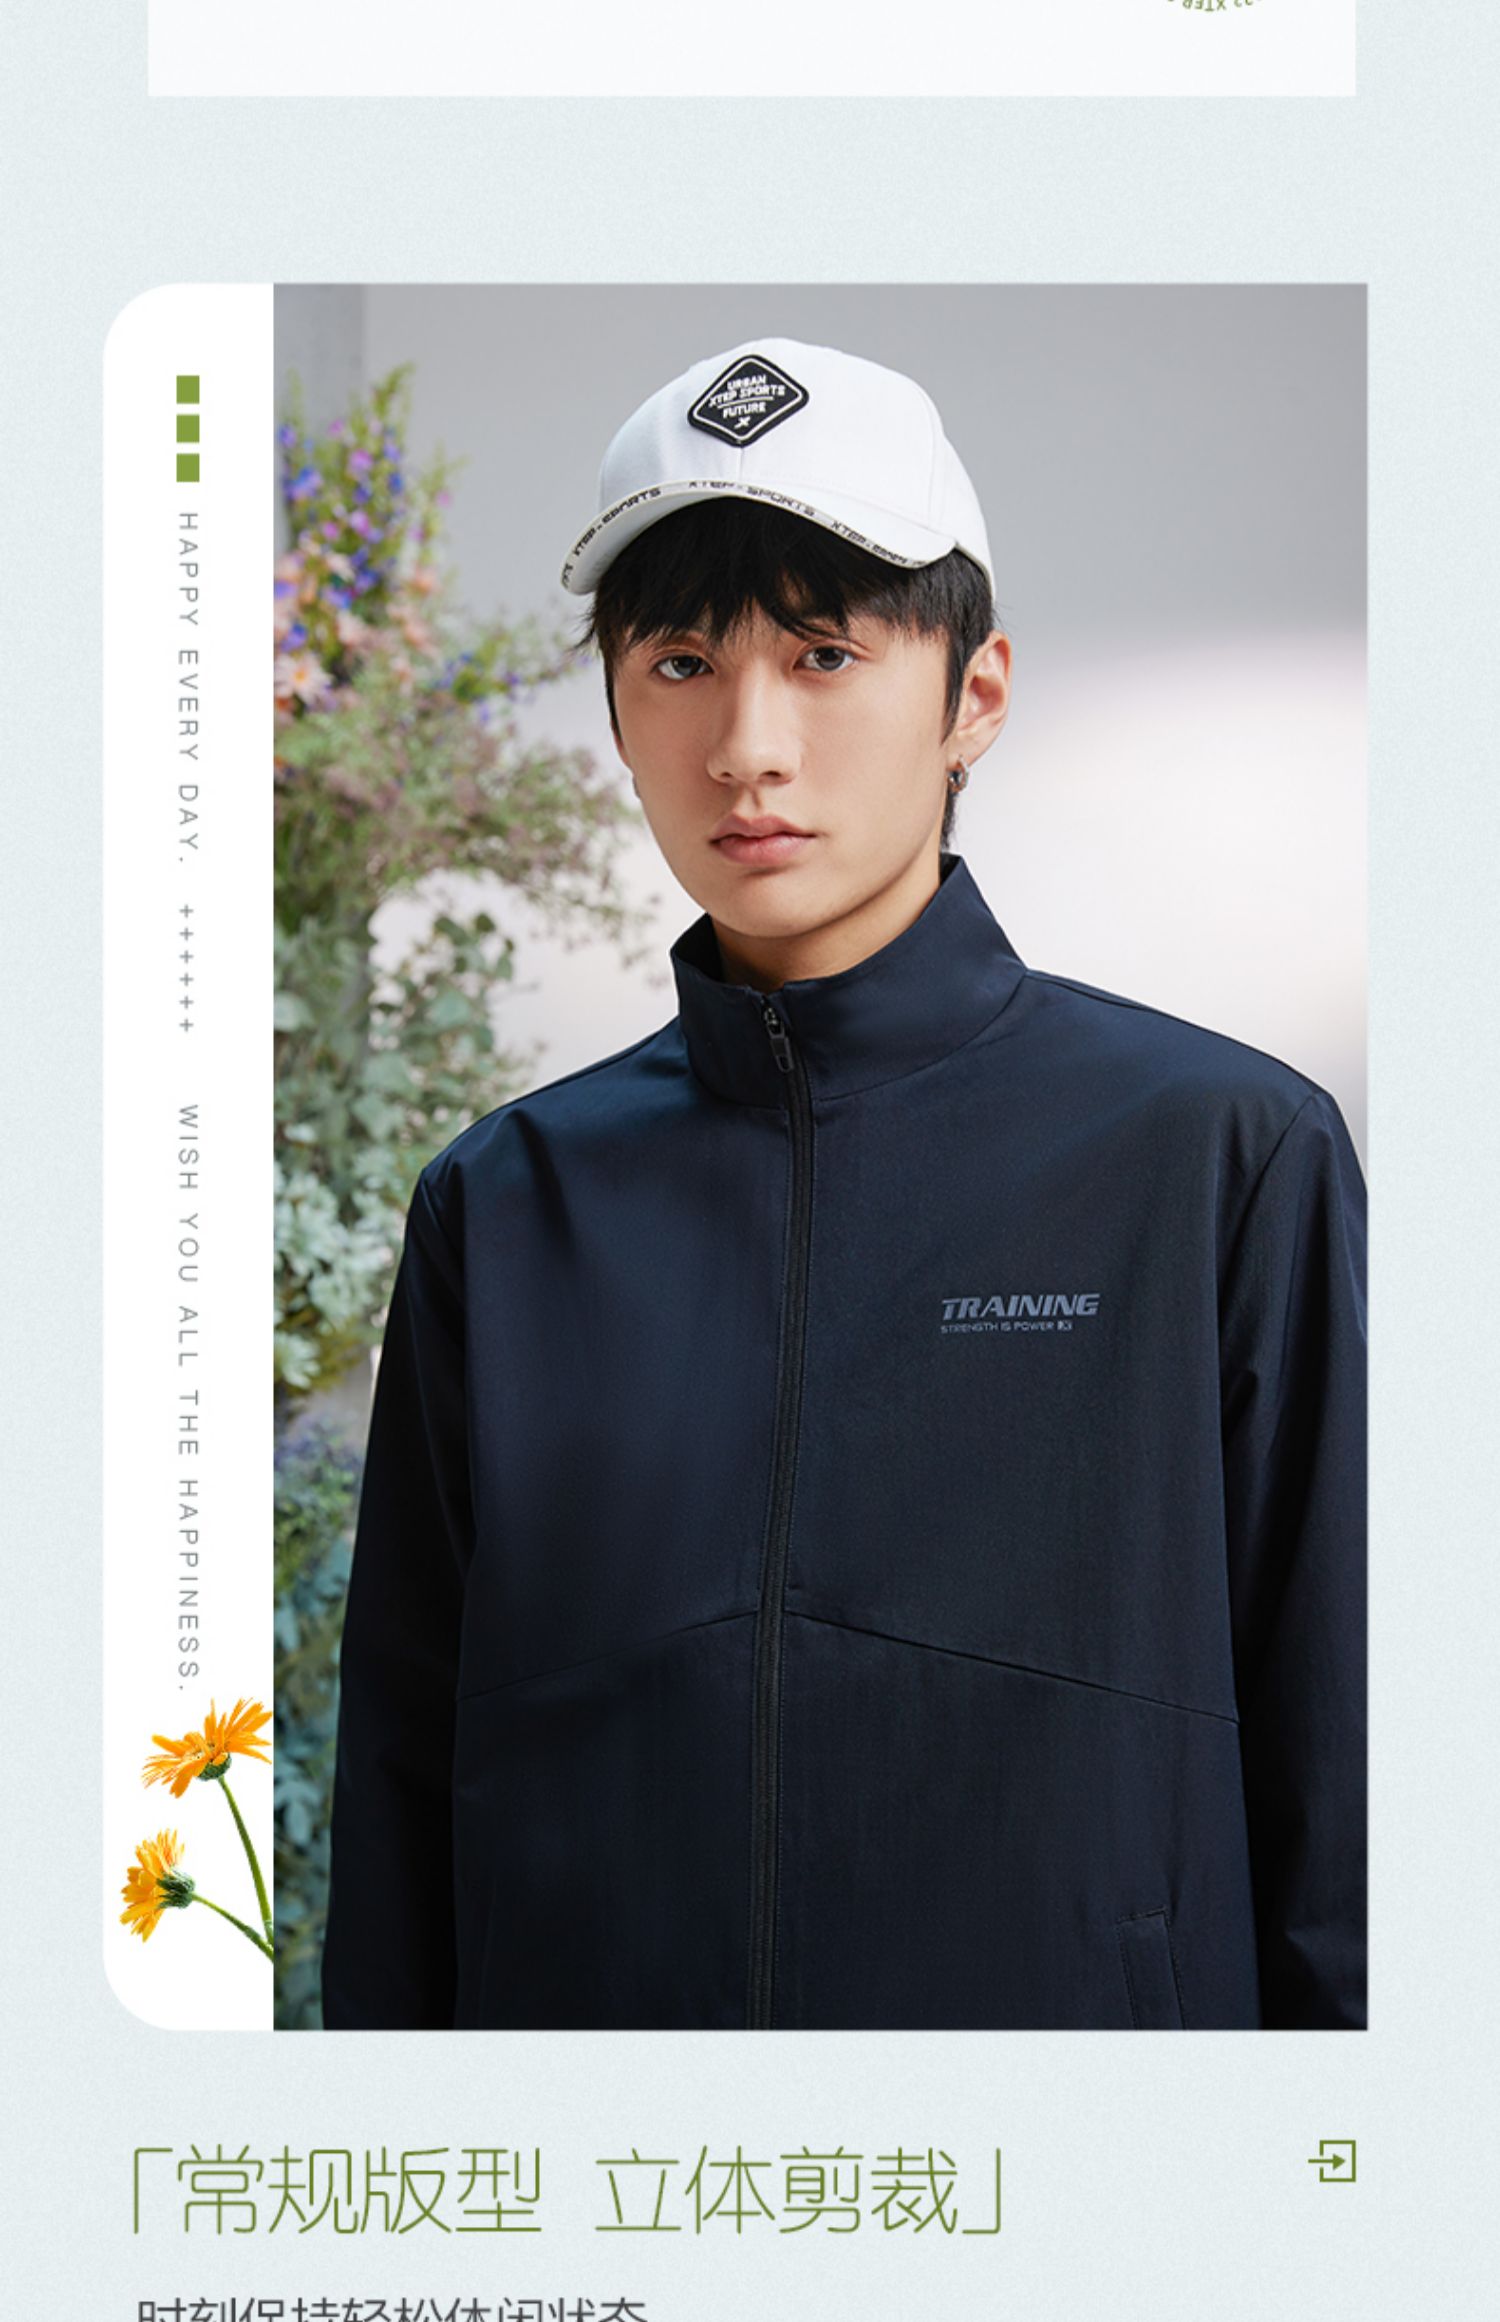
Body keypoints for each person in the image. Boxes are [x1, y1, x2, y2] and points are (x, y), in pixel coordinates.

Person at [322, 336, 1366, 2032]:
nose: (748, 746)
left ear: (976, 694)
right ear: (617, 711)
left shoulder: (1220, 1157)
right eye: (681, 661)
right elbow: (400, 1816)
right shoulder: (508, 1207)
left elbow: (1354, 1799)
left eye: (823, 653)